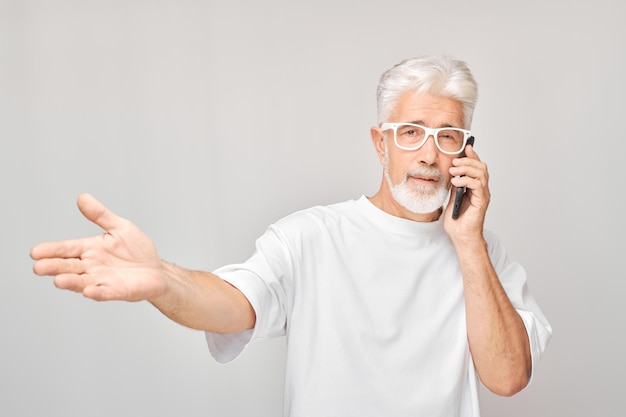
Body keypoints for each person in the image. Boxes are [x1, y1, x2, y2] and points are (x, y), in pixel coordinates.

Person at [31, 55, 552, 416]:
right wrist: (163, 279)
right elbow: (236, 303)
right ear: (380, 143)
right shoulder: (312, 236)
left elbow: (507, 379)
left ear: (466, 151)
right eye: (411, 131)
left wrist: (468, 244)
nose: (429, 154)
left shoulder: (483, 255)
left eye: (448, 137)